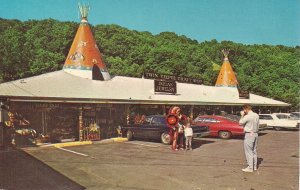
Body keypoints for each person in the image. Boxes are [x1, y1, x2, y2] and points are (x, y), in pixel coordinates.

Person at [239, 104, 259, 173]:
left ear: (245, 109)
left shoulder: (247, 116)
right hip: (255, 133)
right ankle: (254, 166)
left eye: (244, 109)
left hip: (249, 134)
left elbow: (240, 123)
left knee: (248, 151)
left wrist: (242, 115)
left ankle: (250, 168)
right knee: (254, 150)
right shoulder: (256, 115)